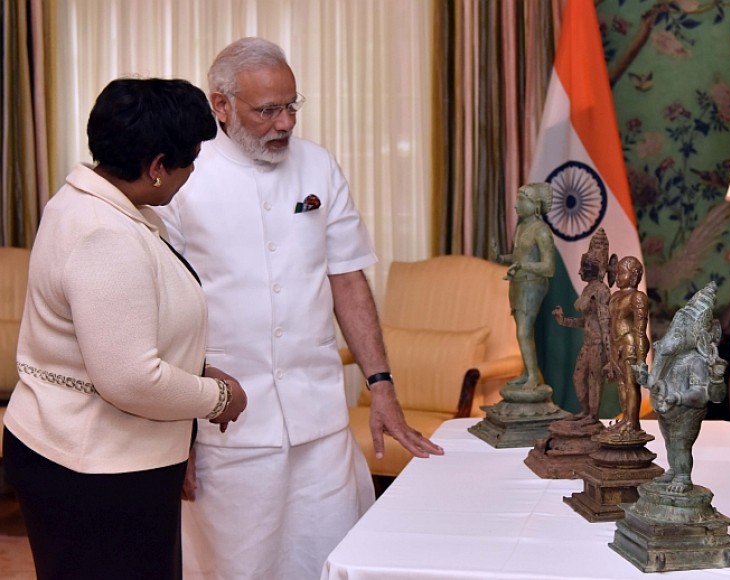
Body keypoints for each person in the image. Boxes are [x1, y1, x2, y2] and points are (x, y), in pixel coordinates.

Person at [153, 37, 443, 580]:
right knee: (236, 567)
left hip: (320, 421)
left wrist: (382, 387)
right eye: (267, 110)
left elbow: (348, 279)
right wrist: (177, 434)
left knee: (332, 557)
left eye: (292, 106)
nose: (285, 122)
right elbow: (165, 309)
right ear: (220, 105)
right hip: (226, 427)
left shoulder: (318, 165)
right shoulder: (181, 178)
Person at [1, 78, 247, 580]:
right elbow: (129, 379)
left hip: (82, 454)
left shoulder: (87, 201)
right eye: (189, 162)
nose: (191, 173)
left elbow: (111, 331)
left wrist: (192, 364)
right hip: (93, 468)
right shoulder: (104, 234)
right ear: (156, 167)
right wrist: (219, 397)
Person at [633, 282, 726, 493]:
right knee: (669, 442)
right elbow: (657, 382)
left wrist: (677, 396)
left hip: (686, 412)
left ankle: (683, 476)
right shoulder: (673, 358)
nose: (676, 335)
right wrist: (645, 378)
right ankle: (675, 470)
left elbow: (701, 394)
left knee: (681, 444)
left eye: (682, 331)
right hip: (668, 409)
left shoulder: (697, 361)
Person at [497, 182, 555, 390]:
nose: (516, 205)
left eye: (521, 200)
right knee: (523, 332)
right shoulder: (522, 227)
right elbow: (519, 256)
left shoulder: (542, 231)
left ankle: (533, 376)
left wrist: (523, 265)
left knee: (524, 331)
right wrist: (502, 257)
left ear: (535, 205)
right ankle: (526, 372)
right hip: (518, 285)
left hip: (533, 285)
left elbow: (549, 267)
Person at [552, 228, 613, 422]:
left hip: (598, 345)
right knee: (578, 379)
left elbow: (605, 325)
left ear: (595, 269)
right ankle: (585, 411)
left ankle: (593, 416)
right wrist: (564, 321)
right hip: (588, 344)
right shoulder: (589, 289)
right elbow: (586, 322)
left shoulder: (601, 292)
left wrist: (611, 358)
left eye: (583, 267)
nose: (579, 271)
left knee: (595, 379)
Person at [605, 255, 649, 436]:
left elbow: (640, 331)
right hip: (617, 345)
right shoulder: (615, 296)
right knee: (621, 384)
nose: (617, 276)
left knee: (631, 384)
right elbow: (609, 326)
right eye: (617, 272)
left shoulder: (637, 297)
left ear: (634, 276)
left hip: (631, 344)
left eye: (622, 272)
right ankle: (625, 419)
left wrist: (641, 359)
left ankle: (633, 423)